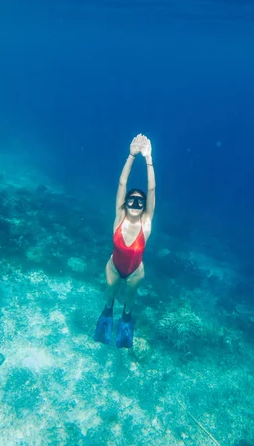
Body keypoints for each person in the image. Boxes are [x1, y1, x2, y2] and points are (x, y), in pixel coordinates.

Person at [94, 134, 156, 348]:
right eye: (131, 200)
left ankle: (126, 318)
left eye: (140, 202)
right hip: (113, 268)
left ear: (144, 207)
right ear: (125, 202)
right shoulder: (119, 218)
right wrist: (131, 155)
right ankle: (108, 312)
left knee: (130, 299)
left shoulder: (146, 224)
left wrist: (148, 160)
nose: (136, 204)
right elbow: (122, 183)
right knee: (110, 294)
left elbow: (151, 190)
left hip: (135, 272)